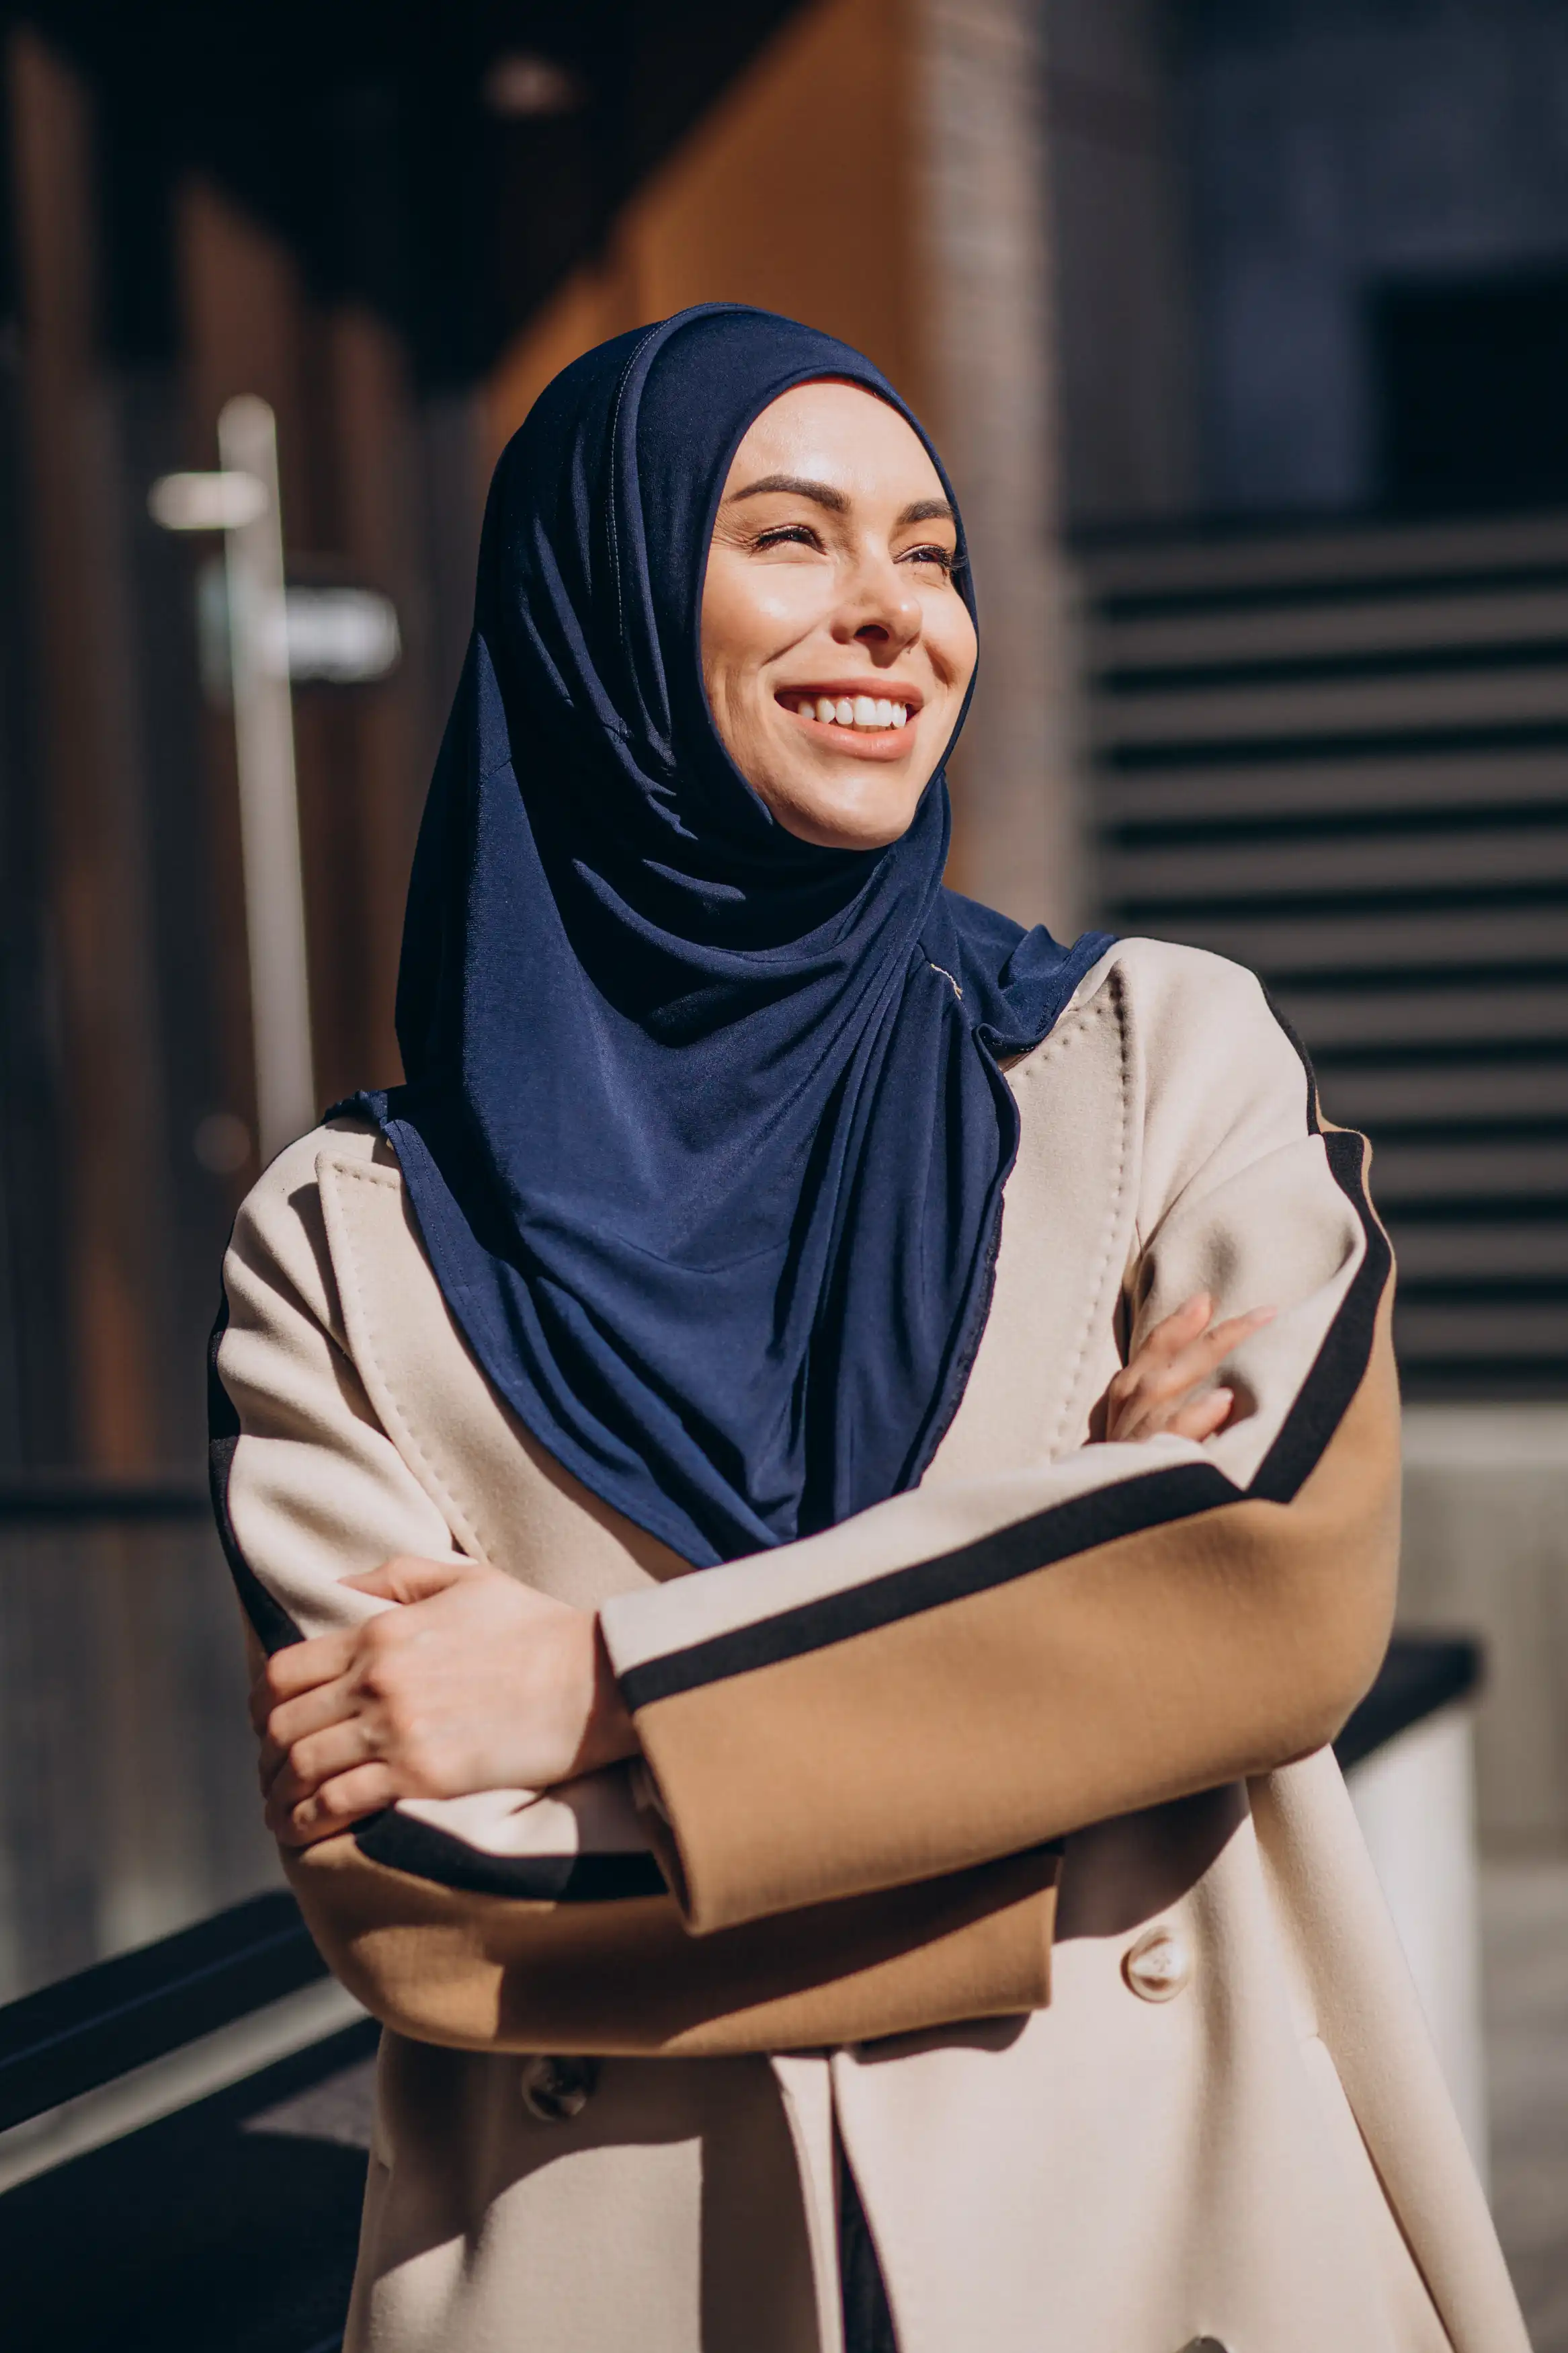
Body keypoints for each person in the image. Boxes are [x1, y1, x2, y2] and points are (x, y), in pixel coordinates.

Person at [211, 305, 1527, 2353]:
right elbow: (436, 1895)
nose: (894, 613)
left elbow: (1262, 1589)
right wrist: (1071, 1704)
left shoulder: (1149, 1055)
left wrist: (596, 1686)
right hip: (631, 2272)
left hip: (1169, 2237)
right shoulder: (349, 1243)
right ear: (609, 604)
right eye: (792, 538)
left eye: (931, 551)